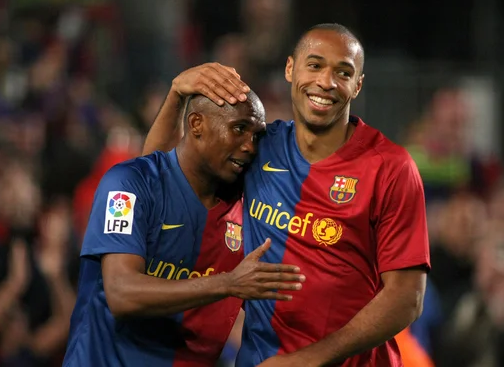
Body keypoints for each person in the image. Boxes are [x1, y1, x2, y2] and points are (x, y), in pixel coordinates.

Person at [144, 23, 430, 367]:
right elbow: (154, 184)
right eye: (315, 65)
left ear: (358, 85)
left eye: (343, 72)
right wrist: (177, 94)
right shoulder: (258, 147)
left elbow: (407, 298)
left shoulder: (390, 167)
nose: (326, 81)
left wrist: (309, 360)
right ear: (290, 69)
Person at [63, 90, 306, 367]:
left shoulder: (251, 209)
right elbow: (120, 293)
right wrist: (229, 282)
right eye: (238, 129)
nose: (250, 145)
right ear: (196, 124)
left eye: (256, 135)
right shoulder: (126, 185)